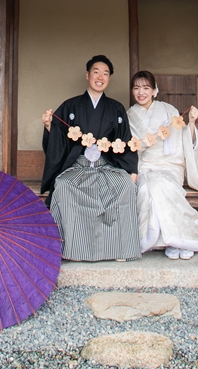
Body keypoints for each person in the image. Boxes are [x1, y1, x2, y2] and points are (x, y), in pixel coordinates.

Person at [127, 70, 198, 260]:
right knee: (148, 189)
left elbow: (183, 141)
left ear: (154, 90)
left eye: (146, 88)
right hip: (145, 166)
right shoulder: (129, 115)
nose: (141, 92)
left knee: (162, 185)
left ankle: (180, 240)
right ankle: (168, 241)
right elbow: (130, 149)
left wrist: (191, 123)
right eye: (136, 88)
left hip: (170, 166)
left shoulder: (169, 111)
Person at [41, 55, 140, 262]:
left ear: (109, 78)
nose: (100, 77)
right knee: (63, 185)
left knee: (125, 185)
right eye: (96, 72)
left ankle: (119, 249)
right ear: (87, 75)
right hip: (78, 166)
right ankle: (74, 250)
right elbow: (59, 139)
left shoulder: (116, 109)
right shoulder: (70, 106)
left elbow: (125, 140)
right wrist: (50, 126)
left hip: (106, 166)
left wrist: (132, 170)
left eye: (105, 74)